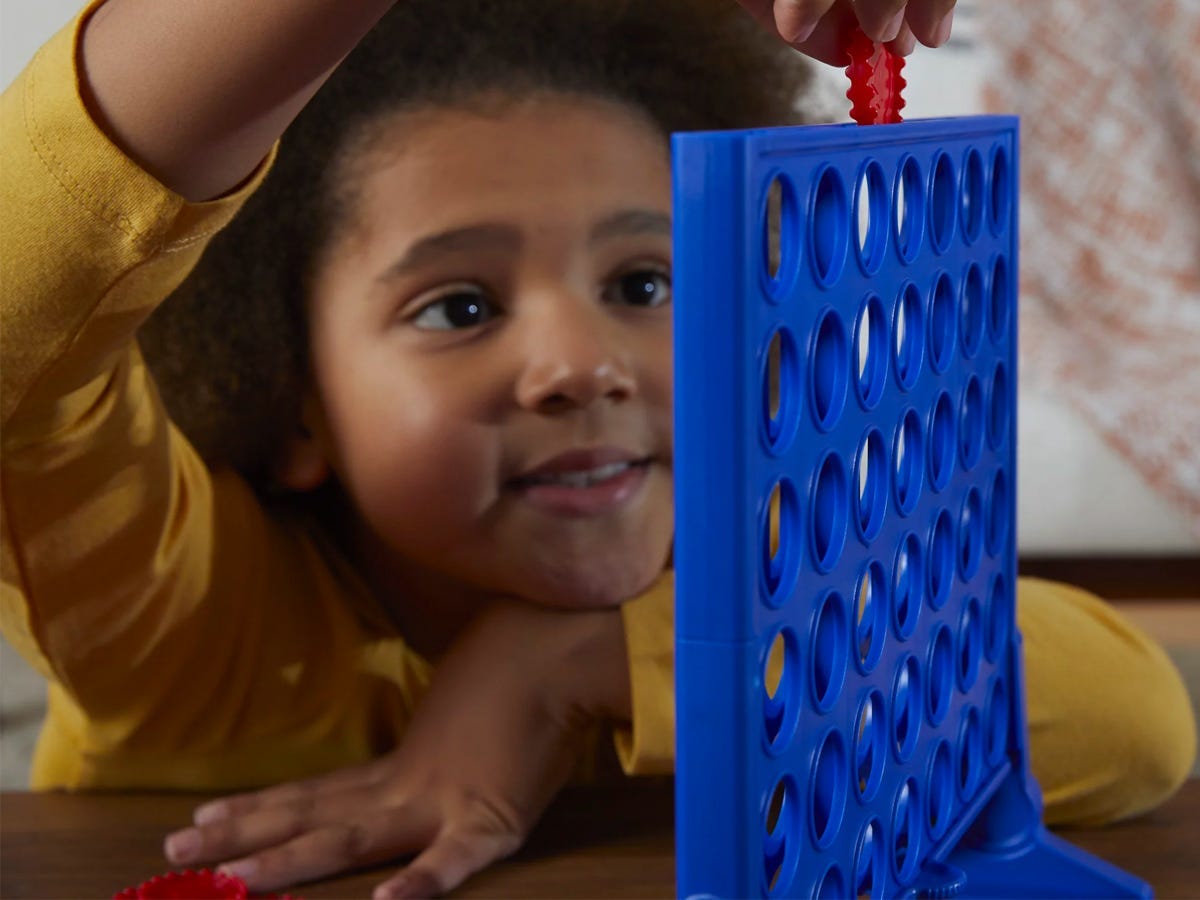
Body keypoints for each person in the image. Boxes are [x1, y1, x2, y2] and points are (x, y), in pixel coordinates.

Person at [1, 0, 1193, 896]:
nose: (584, 364)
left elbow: (1131, 713)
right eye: (458, 307)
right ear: (293, 393)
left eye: (644, 281)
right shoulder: (183, 622)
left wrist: (568, 661)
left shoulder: (758, 557)